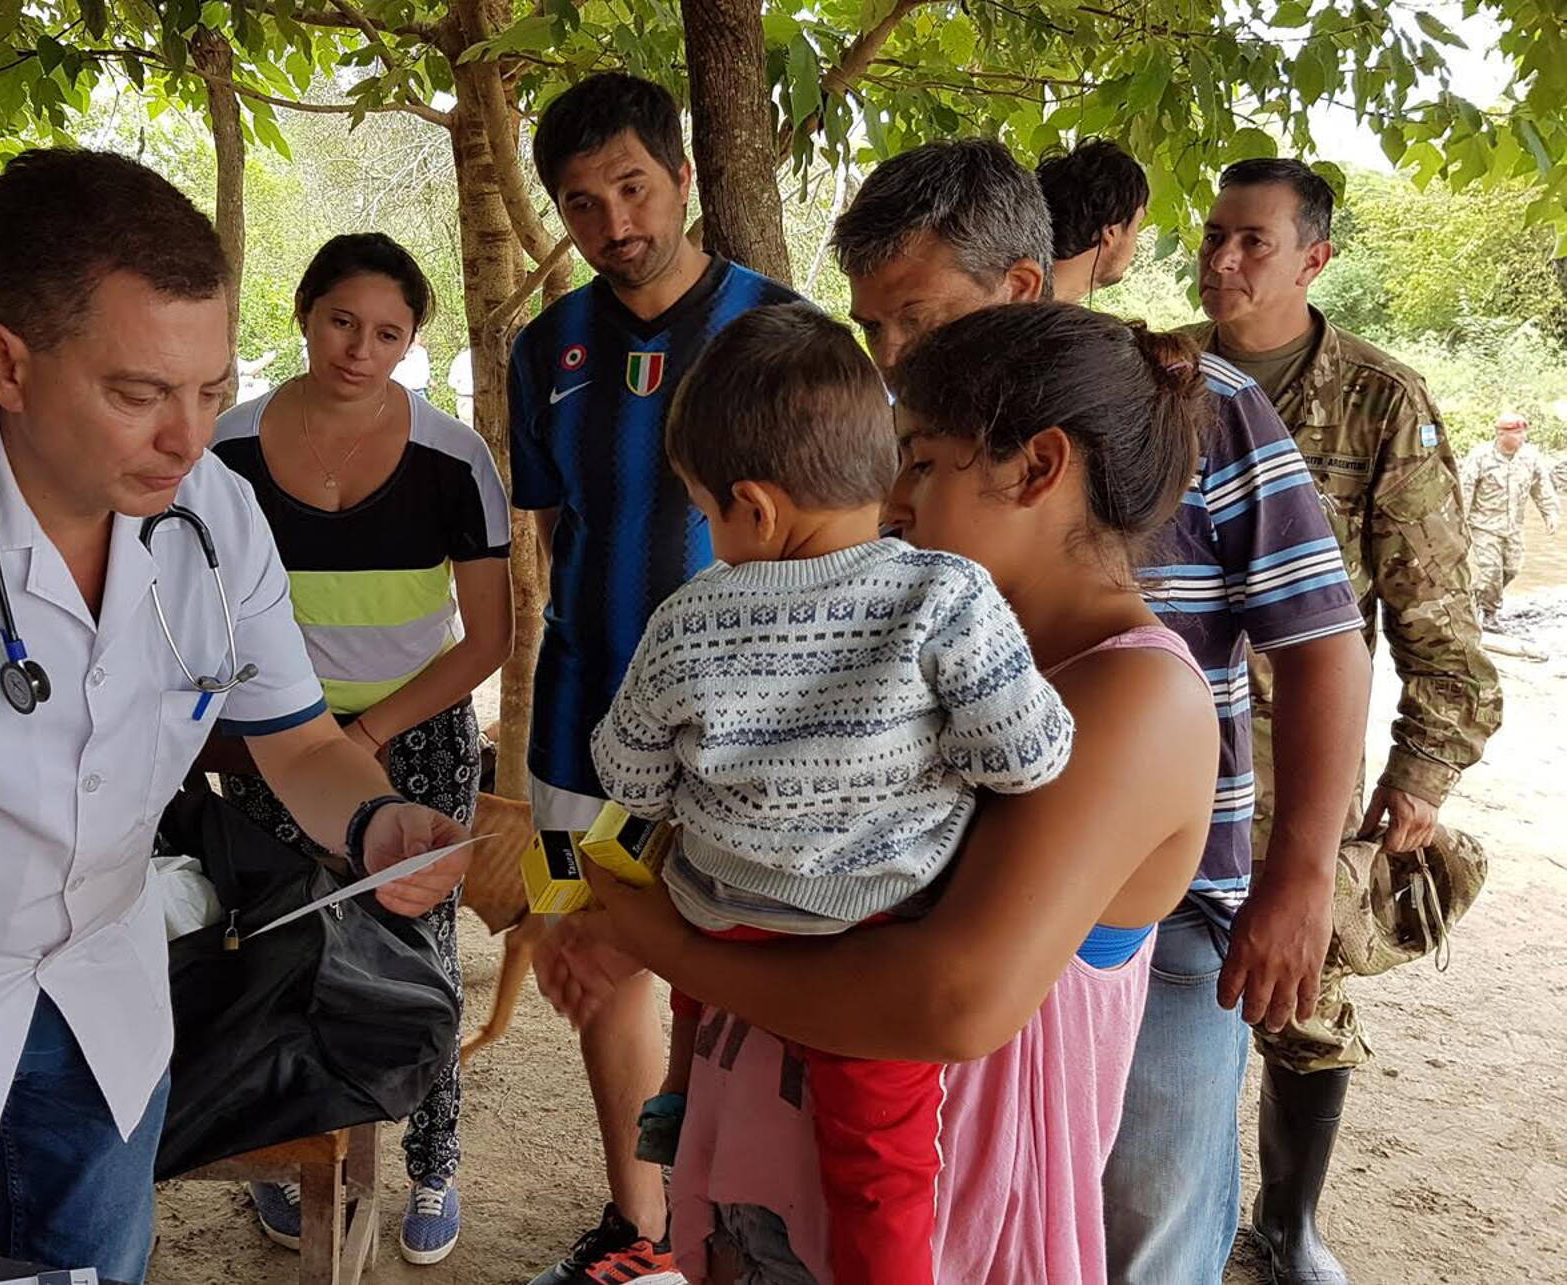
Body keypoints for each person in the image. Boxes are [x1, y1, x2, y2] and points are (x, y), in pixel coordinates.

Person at [0, 149, 471, 1285]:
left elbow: (300, 741)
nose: (187, 437)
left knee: (99, 1266)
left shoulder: (212, 516)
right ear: (6, 363)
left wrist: (372, 823)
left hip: (102, 984)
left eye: (210, 391)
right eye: (138, 393)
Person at [547, 299, 1223, 1283]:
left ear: (1033, 468)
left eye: (917, 459)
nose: (888, 498)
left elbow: (949, 1003)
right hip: (783, 1165)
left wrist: (658, 938)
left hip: (942, 1206)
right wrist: (603, 891)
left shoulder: (1133, 695)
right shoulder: (911, 646)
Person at [837, 139, 1369, 1283]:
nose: (889, 358)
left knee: (1147, 1213)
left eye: (913, 320)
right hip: (973, 884)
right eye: (871, 328)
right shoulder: (918, 445)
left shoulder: (1198, 408)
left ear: (1019, 289)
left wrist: (1299, 873)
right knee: (997, 1192)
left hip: (1167, 905)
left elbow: (1320, 641)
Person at [1187, 155, 1502, 1283]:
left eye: (1251, 242)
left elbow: (1433, 611)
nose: (1220, 260)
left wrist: (1421, 770)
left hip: (1287, 767)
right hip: (1156, 745)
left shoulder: (1379, 399)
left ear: (1313, 259)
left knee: (1297, 997)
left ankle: (1286, 1224)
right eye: (1212, 235)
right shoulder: (1155, 375)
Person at [510, 72, 800, 1285]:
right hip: (582, 714)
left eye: (632, 187)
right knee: (593, 964)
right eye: (582, 203)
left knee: (743, 970)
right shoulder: (547, 348)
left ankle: (736, 1221)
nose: (613, 222)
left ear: (682, 178)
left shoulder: (781, 335)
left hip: (750, 733)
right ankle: (637, 1224)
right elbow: (547, 529)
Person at [208, 233, 513, 1264]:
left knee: (415, 949)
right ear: (303, 314)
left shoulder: (450, 457)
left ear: (411, 343)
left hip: (414, 732)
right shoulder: (227, 450)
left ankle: (433, 1164)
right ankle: (284, 1155)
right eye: (342, 321)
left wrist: (371, 732)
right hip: (264, 735)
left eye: (387, 333)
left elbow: (486, 636)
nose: (359, 348)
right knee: (276, 942)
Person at [1459, 410, 1558, 628]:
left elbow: (1541, 487)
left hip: (1513, 526)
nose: (1523, 437)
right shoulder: (1481, 456)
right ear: (1501, 434)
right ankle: (1490, 614)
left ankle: (1476, 598)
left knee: (1512, 569)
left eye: (1524, 433)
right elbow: (1464, 491)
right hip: (1484, 526)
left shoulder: (1530, 457)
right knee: (1490, 571)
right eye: (1518, 433)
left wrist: (1550, 513)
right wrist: (1460, 525)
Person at [1037, 138, 1150, 305]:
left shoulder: (1002, 293)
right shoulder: (1058, 328)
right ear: (1111, 231)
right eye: (1137, 226)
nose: (1136, 246)